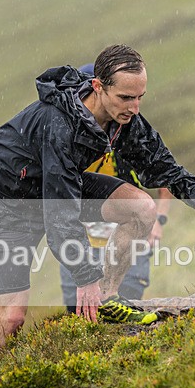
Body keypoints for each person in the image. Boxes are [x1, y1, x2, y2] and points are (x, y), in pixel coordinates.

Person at [0, 44, 195, 362]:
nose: (135, 107)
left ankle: (109, 297)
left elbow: (153, 157)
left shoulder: (121, 118)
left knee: (142, 209)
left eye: (140, 97)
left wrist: (194, 189)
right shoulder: (59, 125)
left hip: (60, 181)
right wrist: (85, 276)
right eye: (126, 98)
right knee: (12, 316)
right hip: (13, 200)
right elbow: (60, 212)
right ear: (98, 87)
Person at [58, 63, 173, 312]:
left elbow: (166, 180)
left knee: (125, 309)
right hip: (82, 247)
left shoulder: (127, 139)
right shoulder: (65, 142)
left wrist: (158, 223)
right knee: (80, 315)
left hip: (126, 245)